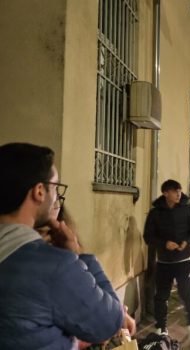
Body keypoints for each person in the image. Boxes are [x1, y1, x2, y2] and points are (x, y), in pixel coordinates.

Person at [0, 143, 129, 349]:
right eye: (55, 187)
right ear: (39, 191)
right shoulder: (54, 266)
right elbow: (108, 322)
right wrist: (76, 254)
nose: (56, 197)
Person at [143, 179, 190, 344]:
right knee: (161, 296)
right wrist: (164, 244)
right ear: (165, 193)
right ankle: (161, 328)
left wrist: (187, 241)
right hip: (164, 262)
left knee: (187, 294)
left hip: (184, 260)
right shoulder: (156, 212)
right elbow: (148, 236)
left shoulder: (186, 208)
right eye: (174, 191)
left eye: (179, 190)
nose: (178, 194)